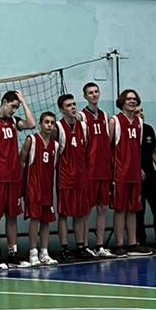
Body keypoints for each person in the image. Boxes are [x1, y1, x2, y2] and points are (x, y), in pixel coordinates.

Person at [0, 89, 33, 267]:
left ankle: (12, 253)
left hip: (14, 176)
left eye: (17, 107)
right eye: (13, 106)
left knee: (12, 216)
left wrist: (23, 101)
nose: (14, 110)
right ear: (4, 102)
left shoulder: (13, 121)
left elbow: (31, 124)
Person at [56, 93, 91, 262]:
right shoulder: (58, 127)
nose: (73, 107)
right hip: (65, 177)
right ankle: (64, 248)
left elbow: (86, 149)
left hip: (81, 177)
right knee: (63, 214)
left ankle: (80, 246)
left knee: (80, 213)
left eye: (74, 104)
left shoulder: (83, 127)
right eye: (68, 105)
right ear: (62, 110)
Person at [22, 112, 60, 266]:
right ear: (40, 124)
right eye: (46, 122)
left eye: (52, 122)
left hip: (47, 188)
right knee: (35, 220)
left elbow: (53, 166)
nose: (49, 125)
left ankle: (44, 252)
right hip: (33, 188)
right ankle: (33, 253)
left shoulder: (55, 145)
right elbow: (21, 162)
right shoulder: (31, 140)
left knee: (46, 221)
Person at [110, 89, 145, 256]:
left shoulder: (139, 122)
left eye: (134, 98)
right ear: (122, 102)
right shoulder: (115, 121)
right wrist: (112, 170)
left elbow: (138, 148)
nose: (132, 101)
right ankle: (119, 244)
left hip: (134, 172)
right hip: (120, 173)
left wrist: (139, 168)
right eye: (129, 98)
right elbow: (108, 148)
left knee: (133, 209)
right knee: (120, 209)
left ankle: (132, 243)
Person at [81, 81, 113, 258]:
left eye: (96, 91)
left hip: (104, 169)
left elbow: (109, 142)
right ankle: (85, 245)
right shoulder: (82, 116)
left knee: (103, 209)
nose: (94, 95)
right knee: (87, 210)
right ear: (85, 96)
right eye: (90, 93)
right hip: (90, 170)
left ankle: (100, 245)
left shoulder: (105, 116)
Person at [136, 106, 156, 252]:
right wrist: (137, 168)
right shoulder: (130, 130)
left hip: (151, 174)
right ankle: (141, 240)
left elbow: (153, 150)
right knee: (139, 210)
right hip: (137, 175)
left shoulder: (148, 129)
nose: (141, 114)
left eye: (142, 111)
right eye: (137, 112)